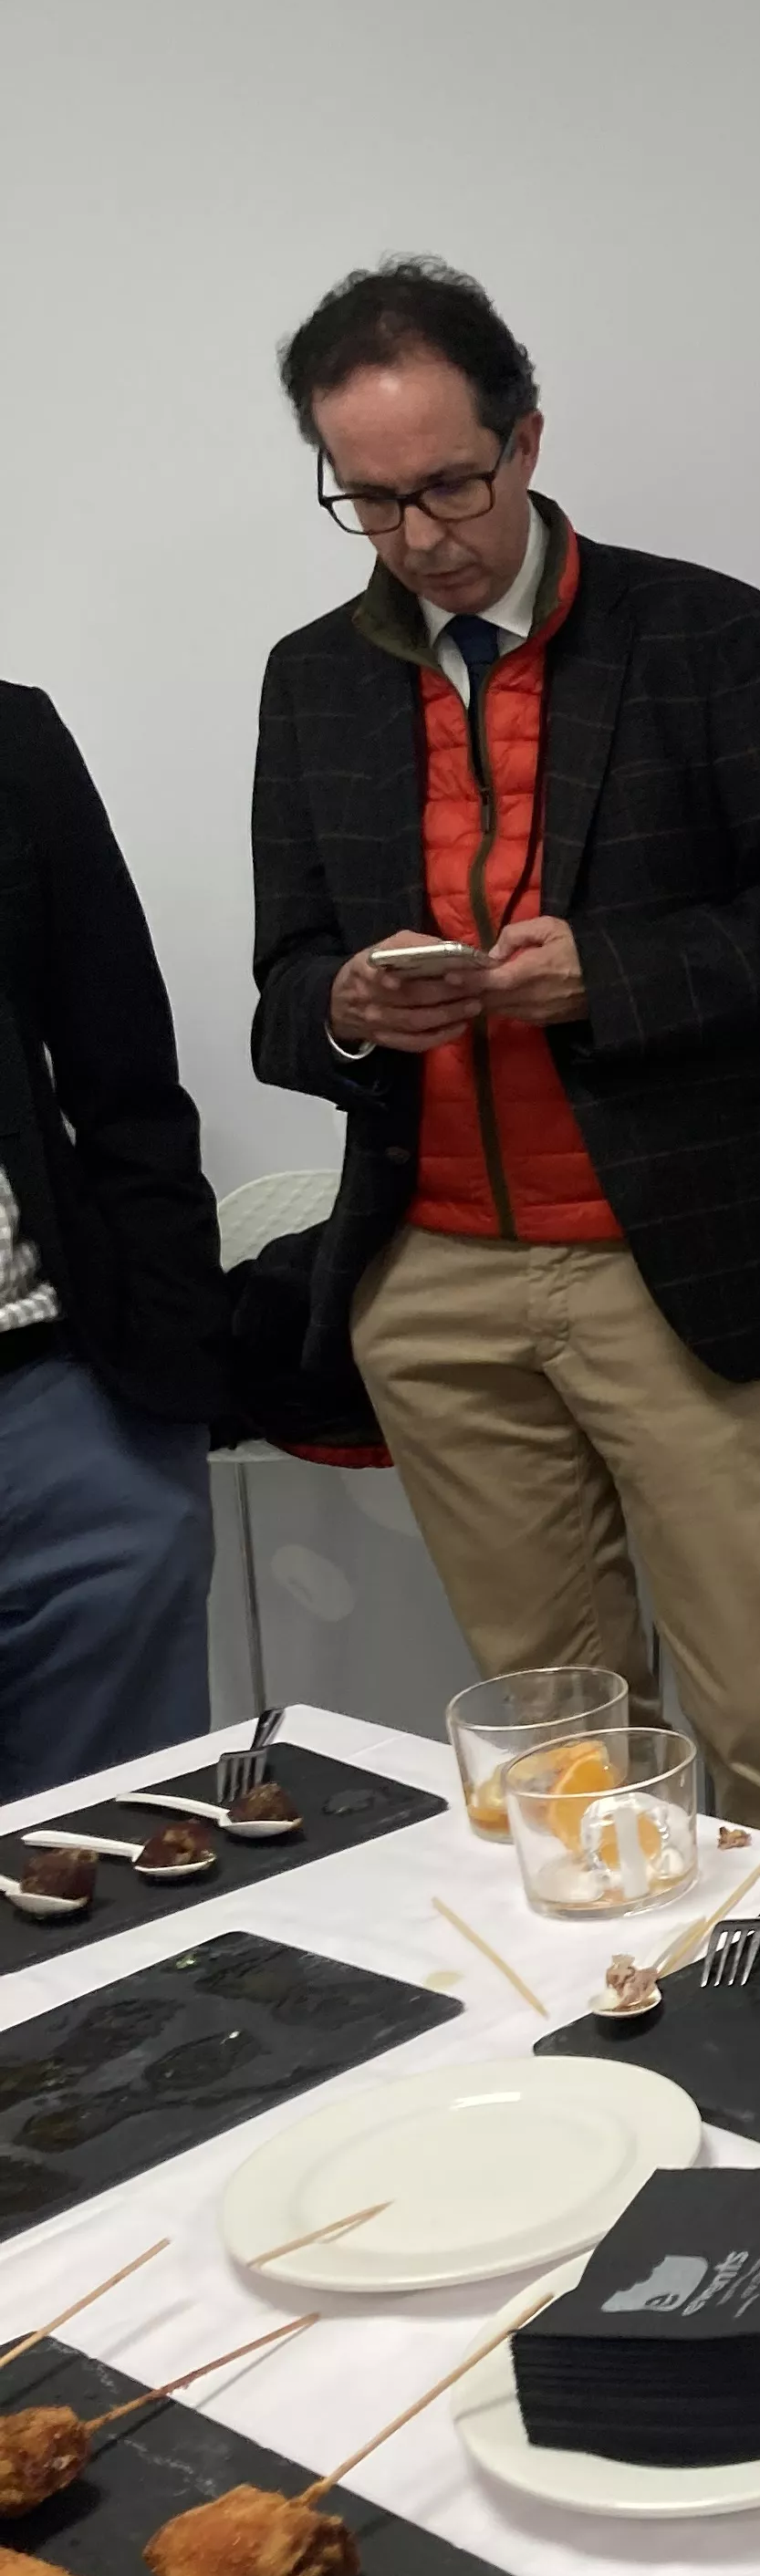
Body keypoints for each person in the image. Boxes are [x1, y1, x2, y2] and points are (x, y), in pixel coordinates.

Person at [252, 258, 760, 1849]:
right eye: (372, 501)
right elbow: (281, 984)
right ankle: (627, 2039)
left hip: (665, 1257)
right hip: (434, 1274)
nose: (420, 536)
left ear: (526, 440)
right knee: (559, 1745)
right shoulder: (311, 679)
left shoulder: (703, 632)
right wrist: (348, 1003)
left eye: (450, 484)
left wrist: (607, 972)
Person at [0, 690, 226, 1792]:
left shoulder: (10, 737)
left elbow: (126, 1072)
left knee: (124, 1891)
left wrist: (165, 1383)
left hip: (58, 1417)